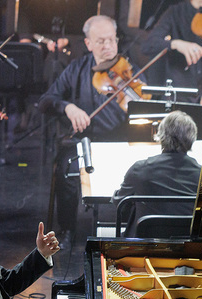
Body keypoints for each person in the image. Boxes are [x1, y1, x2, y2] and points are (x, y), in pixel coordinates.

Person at [39, 15, 136, 247]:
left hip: (121, 143)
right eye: (101, 41)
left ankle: (130, 228)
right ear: (88, 43)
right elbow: (46, 101)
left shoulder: (129, 72)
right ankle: (67, 229)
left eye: (112, 40)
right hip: (83, 144)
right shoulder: (76, 69)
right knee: (66, 168)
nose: (108, 46)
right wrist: (69, 107)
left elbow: (146, 106)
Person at [113, 111, 201, 237]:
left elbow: (119, 204)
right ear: (192, 138)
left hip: (145, 245)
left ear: (161, 136)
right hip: (187, 245)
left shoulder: (140, 169)